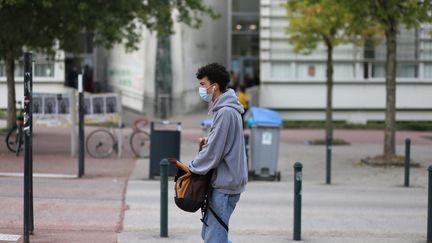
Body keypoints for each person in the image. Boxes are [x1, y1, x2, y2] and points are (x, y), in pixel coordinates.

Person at [189, 63, 248, 243]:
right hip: (225, 181)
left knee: (214, 238)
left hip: (225, 184)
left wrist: (191, 168)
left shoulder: (225, 112)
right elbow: (221, 144)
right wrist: (209, 142)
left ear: (214, 86)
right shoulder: (227, 109)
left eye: (202, 84)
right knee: (210, 235)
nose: (201, 89)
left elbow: (213, 153)